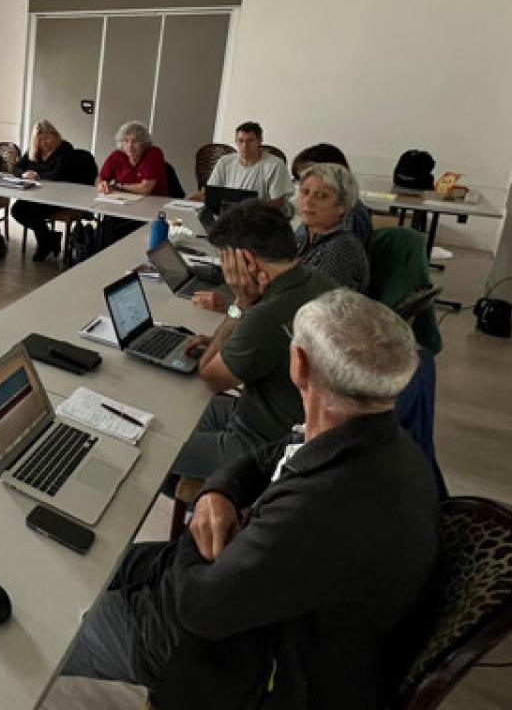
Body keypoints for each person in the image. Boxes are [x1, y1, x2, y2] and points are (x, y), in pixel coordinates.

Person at [61, 290, 439, 710]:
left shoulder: (323, 507)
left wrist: (195, 530)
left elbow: (199, 609)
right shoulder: (370, 435)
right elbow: (269, 455)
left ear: (299, 364)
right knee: (91, 563)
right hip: (250, 608)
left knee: (48, 621)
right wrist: (216, 494)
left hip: (218, 656)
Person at [167, 201, 336, 487]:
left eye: (225, 260)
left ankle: (216, 501)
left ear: (246, 260)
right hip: (299, 421)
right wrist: (236, 339)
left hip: (264, 445)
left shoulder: (265, 316)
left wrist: (240, 305)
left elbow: (211, 375)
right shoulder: (319, 280)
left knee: (158, 451)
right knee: (172, 414)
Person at [193, 162, 368, 312]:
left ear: (343, 207)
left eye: (321, 196)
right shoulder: (305, 232)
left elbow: (294, 317)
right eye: (305, 191)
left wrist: (230, 308)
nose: (308, 201)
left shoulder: (340, 250)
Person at [10, 119, 78, 261]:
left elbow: (58, 175)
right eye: (40, 139)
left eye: (47, 138)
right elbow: (16, 168)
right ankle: (49, 238)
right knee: (17, 210)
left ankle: (45, 243)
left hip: (60, 196)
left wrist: (37, 175)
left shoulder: (65, 149)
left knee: (32, 212)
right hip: (37, 194)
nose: (44, 143)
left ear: (55, 135)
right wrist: (23, 174)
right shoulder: (35, 151)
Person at [96, 121, 168, 241]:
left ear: (145, 143)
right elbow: (101, 178)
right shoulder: (117, 155)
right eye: (125, 141)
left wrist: (118, 186)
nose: (129, 145)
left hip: (152, 208)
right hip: (124, 206)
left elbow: (145, 188)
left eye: (135, 141)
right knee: (108, 228)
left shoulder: (154, 153)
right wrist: (102, 185)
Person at [291, 142, 373, 245]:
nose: (307, 200)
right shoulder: (316, 219)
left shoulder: (350, 222)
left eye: (321, 195)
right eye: (301, 180)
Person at [203, 121, 292, 210]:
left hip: (261, 216)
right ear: (236, 141)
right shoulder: (224, 162)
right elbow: (212, 193)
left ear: (259, 141)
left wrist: (252, 211)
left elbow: (278, 202)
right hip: (229, 214)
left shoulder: (275, 165)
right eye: (240, 141)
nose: (244, 146)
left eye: (250, 141)